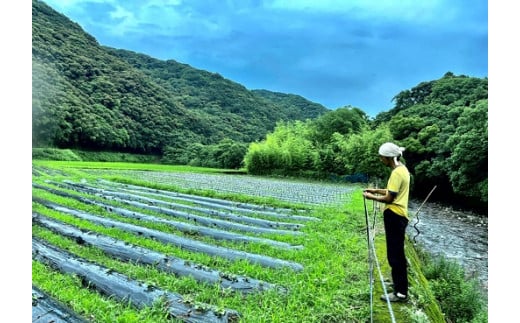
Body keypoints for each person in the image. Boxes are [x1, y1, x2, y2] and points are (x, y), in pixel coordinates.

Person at [363, 142, 410, 302]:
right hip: (399, 216)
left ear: (388, 158)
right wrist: (376, 190)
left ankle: (401, 293)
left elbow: (390, 198)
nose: (380, 159)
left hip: (395, 216)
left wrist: (371, 197)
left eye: (381, 157)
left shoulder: (396, 173)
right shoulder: (402, 169)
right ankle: (397, 283)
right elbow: (391, 191)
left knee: (395, 255)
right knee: (396, 253)